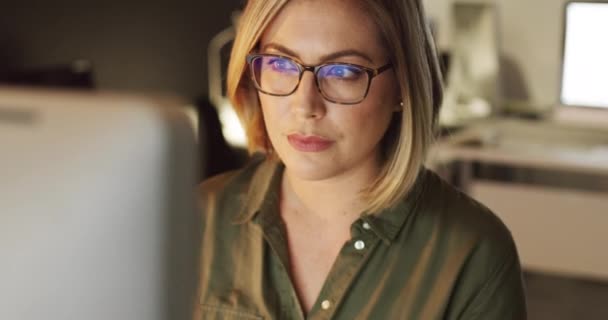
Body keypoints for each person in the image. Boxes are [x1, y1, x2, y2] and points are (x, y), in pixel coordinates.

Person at [195, 0, 527, 319]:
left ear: (402, 84)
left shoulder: (473, 253)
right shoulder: (193, 218)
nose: (305, 105)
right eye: (280, 65)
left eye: (343, 71)